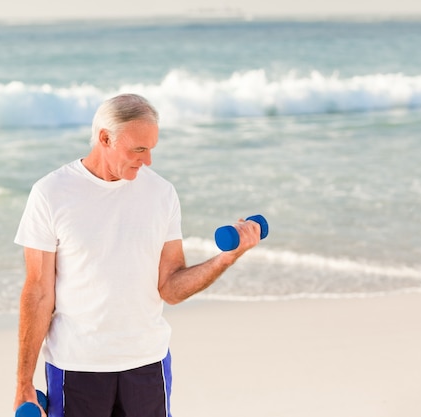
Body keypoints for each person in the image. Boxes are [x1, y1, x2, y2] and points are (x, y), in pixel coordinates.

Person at [13, 93, 262, 417]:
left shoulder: (161, 193)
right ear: (105, 137)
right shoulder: (51, 193)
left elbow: (170, 288)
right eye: (138, 149)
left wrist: (226, 258)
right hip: (76, 366)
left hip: (147, 363)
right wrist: (23, 383)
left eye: (151, 149)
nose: (147, 161)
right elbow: (38, 292)